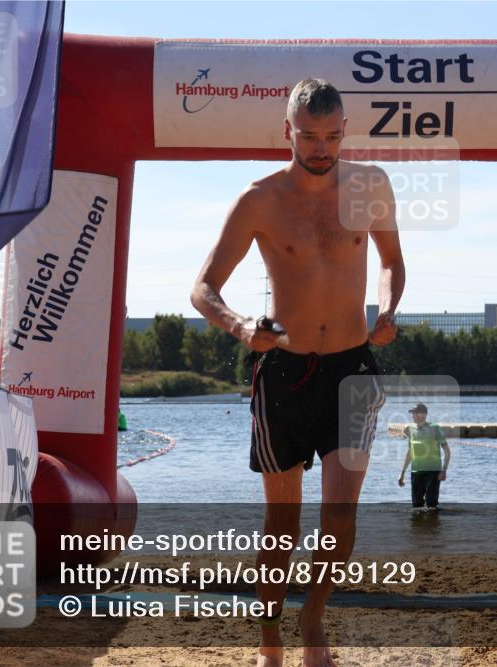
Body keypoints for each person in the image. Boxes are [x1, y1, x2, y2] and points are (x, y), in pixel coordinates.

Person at [189, 78, 404, 667]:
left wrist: (387, 309)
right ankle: (268, 637)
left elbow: (391, 262)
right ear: (287, 131)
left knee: (340, 516)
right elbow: (202, 289)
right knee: (281, 527)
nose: (321, 148)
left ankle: (313, 619)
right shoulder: (259, 199)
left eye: (332, 136)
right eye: (308, 136)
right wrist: (238, 326)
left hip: (353, 369)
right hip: (282, 370)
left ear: (344, 131)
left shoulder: (369, 186)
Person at [397, 403, 450, 509]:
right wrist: (402, 473)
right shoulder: (410, 428)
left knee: (431, 506)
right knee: (417, 507)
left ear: (423, 415)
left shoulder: (435, 428)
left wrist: (444, 470)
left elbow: (447, 451)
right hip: (416, 472)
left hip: (433, 472)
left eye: (414, 413)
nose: (412, 416)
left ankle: (433, 525)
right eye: (412, 414)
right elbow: (410, 452)